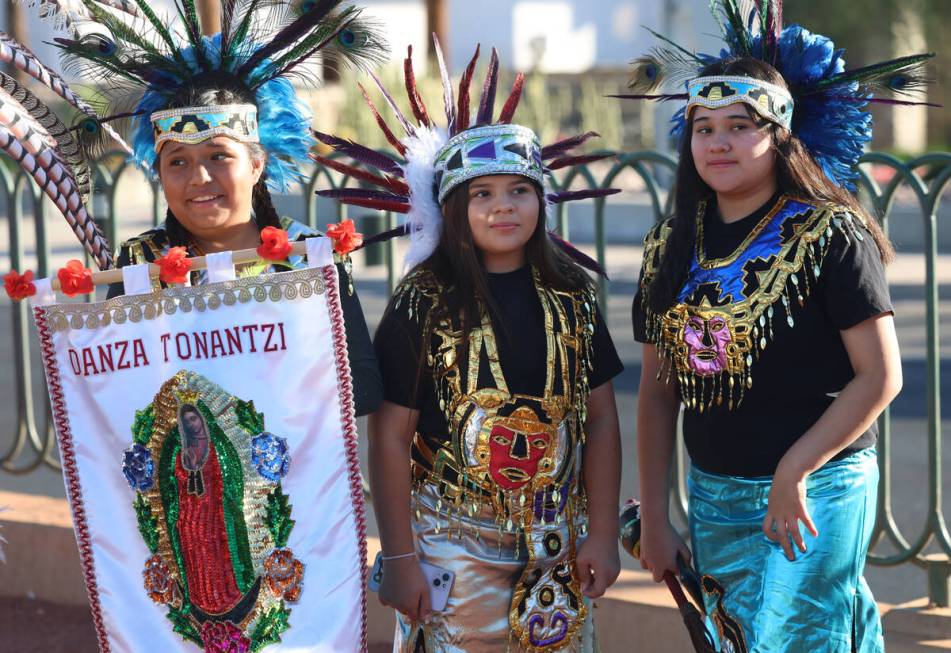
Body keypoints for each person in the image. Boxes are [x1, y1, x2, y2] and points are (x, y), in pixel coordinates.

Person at [620, 2, 931, 650]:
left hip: (819, 487)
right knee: (738, 639)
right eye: (703, 128)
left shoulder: (831, 234)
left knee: (796, 639)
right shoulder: (669, 244)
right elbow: (655, 392)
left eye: (741, 125)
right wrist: (654, 513)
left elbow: (881, 376)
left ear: (781, 134)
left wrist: (794, 468)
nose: (718, 142)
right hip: (713, 496)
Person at [318, 41, 623, 652]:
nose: (503, 207)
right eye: (482, 194)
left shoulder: (573, 294)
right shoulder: (423, 300)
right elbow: (391, 435)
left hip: (559, 537)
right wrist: (401, 556)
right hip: (452, 542)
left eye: (519, 190)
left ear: (542, 198)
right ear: (453, 208)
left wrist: (604, 534)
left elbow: (602, 421)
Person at [79, 4, 388, 416]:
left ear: (256, 164)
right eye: (177, 162)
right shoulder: (140, 263)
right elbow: (112, 392)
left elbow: (364, 386)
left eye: (218, 156)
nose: (199, 178)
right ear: (159, 173)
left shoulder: (308, 256)